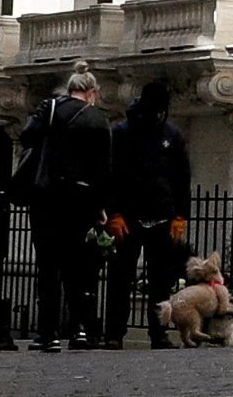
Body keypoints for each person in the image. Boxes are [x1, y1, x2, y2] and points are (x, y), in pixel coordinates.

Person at [15, 65, 114, 351]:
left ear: (70, 88)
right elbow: (104, 168)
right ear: (92, 92)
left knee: (48, 265)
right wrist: (100, 207)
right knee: (78, 266)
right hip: (82, 199)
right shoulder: (99, 118)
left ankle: (49, 332)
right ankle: (79, 329)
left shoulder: (50, 108)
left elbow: (27, 137)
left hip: (48, 196)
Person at [106, 78, 195, 346]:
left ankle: (158, 331)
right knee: (121, 277)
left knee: (161, 280)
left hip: (161, 214)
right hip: (129, 216)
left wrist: (181, 214)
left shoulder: (172, 135)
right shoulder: (121, 133)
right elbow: (111, 176)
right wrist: (114, 213)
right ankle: (113, 333)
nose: (158, 115)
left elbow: (182, 177)